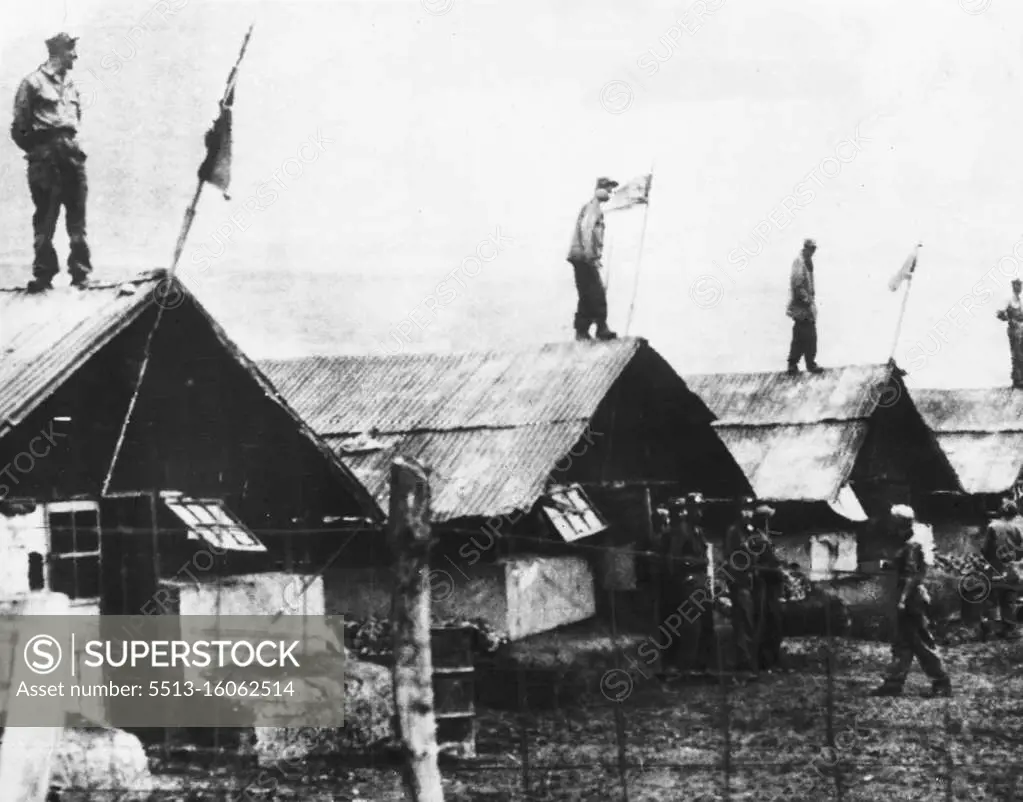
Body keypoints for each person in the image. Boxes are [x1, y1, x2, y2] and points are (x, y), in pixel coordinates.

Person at [10, 32, 92, 293]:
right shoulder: (32, 83)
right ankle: (44, 274)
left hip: (71, 151)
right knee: (46, 216)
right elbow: (20, 127)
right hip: (45, 154)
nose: (75, 56)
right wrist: (39, 151)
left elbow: (75, 120)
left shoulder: (72, 86)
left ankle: (81, 274)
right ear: (58, 52)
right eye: (71, 51)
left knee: (77, 215)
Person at [871, 505, 951, 698]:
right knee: (901, 643)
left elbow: (911, 576)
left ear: (900, 522)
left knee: (921, 642)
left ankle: (941, 682)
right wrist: (889, 565)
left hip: (912, 600)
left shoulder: (912, 544)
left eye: (893, 520)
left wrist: (902, 600)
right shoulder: (904, 542)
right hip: (905, 597)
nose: (890, 523)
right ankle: (893, 682)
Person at [667, 493, 717, 675]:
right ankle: (687, 667)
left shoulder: (698, 531)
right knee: (691, 627)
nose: (700, 512)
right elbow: (676, 559)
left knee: (706, 625)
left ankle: (703, 665)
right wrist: (696, 565)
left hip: (701, 583)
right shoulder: (682, 530)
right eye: (696, 508)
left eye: (701, 508)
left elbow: (702, 556)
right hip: (690, 584)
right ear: (688, 509)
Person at [567, 177, 619, 341]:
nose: (610, 193)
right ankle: (601, 328)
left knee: (587, 294)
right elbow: (587, 230)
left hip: (581, 257)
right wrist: (591, 256)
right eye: (608, 189)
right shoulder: (593, 208)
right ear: (599, 190)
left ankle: (582, 331)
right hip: (584, 257)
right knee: (596, 292)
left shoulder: (592, 208)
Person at [723, 496, 758, 676]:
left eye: (750, 509)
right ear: (738, 511)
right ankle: (742, 663)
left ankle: (745, 660)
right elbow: (731, 559)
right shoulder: (734, 532)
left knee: (748, 621)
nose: (747, 513)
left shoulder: (750, 531)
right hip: (740, 582)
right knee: (742, 622)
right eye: (744, 509)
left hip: (752, 582)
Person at [979, 498, 1023, 640]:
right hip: (1013, 570)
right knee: (1009, 599)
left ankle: (989, 630)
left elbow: (986, 549)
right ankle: (1009, 629)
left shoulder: (993, 526)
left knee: (991, 600)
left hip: (995, 569)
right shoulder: (1019, 527)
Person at [751, 503, 786, 672]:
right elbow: (756, 565)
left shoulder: (764, 537)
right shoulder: (756, 539)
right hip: (764, 586)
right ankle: (764, 661)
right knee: (766, 623)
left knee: (774, 623)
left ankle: (771, 659)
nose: (767, 522)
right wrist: (775, 570)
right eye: (765, 519)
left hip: (771, 586)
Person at [786, 238, 823, 375]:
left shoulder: (807, 262)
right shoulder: (799, 262)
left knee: (805, 337)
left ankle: (801, 363)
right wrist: (807, 300)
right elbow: (797, 285)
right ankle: (801, 364)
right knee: (805, 336)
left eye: (814, 249)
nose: (813, 251)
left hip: (807, 309)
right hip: (801, 308)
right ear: (806, 248)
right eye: (811, 249)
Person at [996, 279, 1023, 388]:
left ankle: (1021, 379)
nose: (1019, 288)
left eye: (1020, 286)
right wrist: (1009, 319)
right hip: (1014, 331)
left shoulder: (1021, 301)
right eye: (1017, 286)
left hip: (1021, 330)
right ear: (1013, 287)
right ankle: (1017, 381)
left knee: (1021, 354)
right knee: (1016, 354)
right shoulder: (1008, 300)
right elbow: (999, 313)